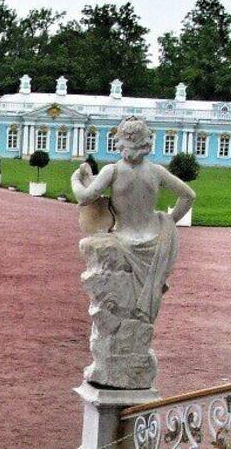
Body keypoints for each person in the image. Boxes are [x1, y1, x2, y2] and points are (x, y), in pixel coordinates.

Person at [70, 116, 195, 389]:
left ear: (121, 142)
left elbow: (85, 197)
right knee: (140, 314)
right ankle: (131, 361)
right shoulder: (156, 172)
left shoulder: (112, 171)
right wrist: (168, 221)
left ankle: (117, 362)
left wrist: (75, 180)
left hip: (122, 243)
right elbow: (188, 196)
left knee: (118, 309)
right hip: (153, 245)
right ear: (146, 142)